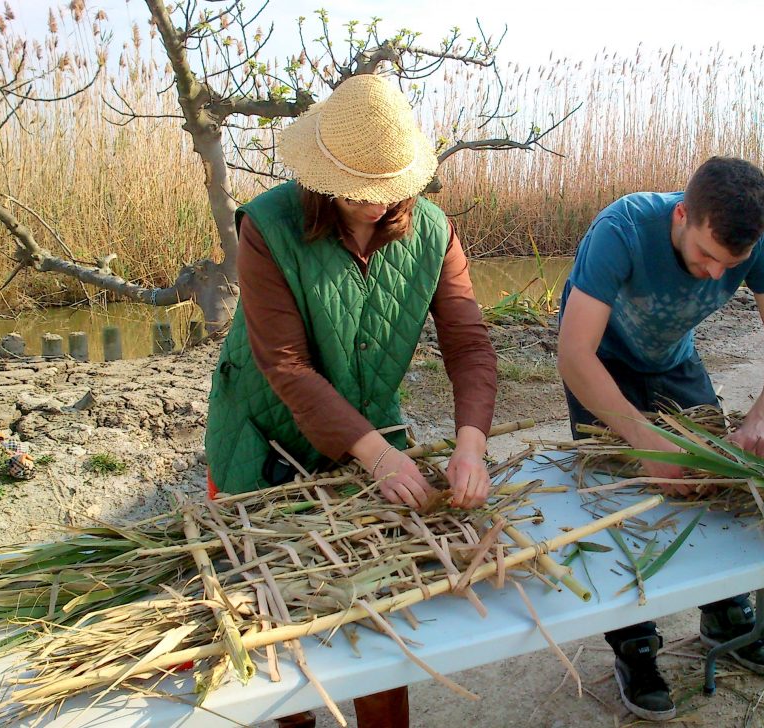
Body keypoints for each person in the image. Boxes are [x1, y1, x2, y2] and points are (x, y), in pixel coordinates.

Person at [204, 74, 498, 728]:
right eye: (358, 191)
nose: (375, 204)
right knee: (278, 626)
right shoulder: (269, 226)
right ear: (324, 174)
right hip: (264, 433)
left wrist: (472, 445)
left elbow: (469, 344)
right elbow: (285, 365)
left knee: (379, 621)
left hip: (367, 422)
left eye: (388, 191)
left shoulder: (433, 234)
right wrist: (381, 459)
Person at [557, 156, 764, 721]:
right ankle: (635, 644)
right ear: (681, 217)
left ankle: (725, 611)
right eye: (705, 256)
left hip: (673, 358)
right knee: (621, 497)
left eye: (731, 264)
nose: (715, 274)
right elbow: (573, 355)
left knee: (714, 477)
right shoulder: (621, 230)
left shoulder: (761, 244)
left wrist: (763, 416)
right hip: (601, 361)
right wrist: (645, 439)